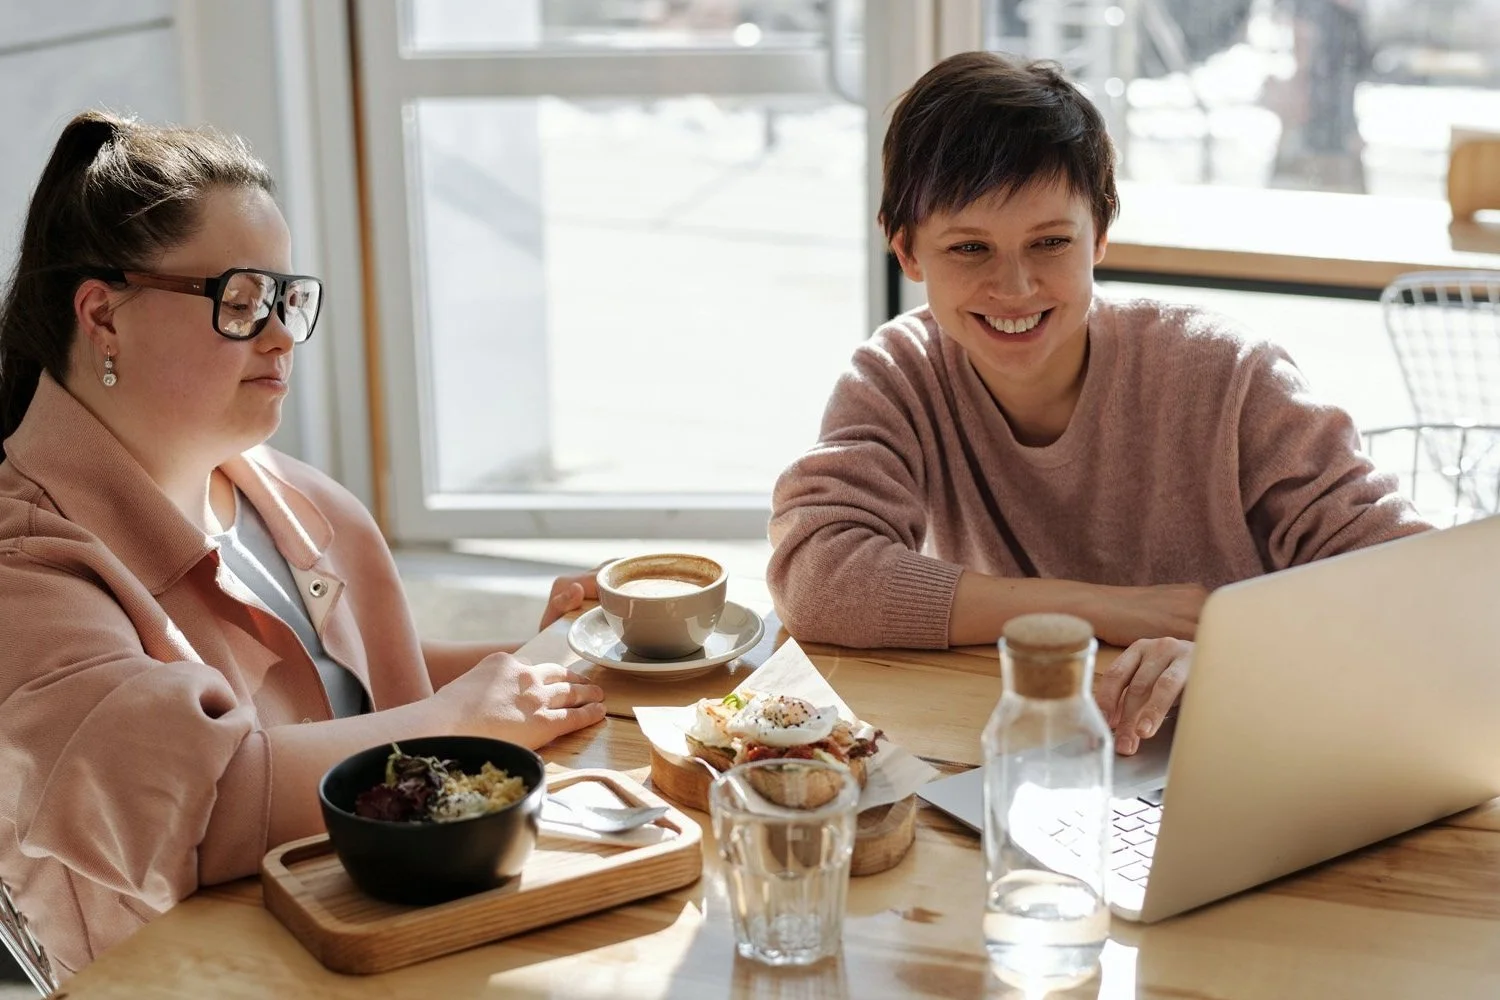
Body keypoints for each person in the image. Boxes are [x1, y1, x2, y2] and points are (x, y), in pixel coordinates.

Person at [0, 111, 606, 979]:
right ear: (102, 316)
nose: (281, 335)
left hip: (385, 936)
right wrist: (457, 719)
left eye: (285, 300)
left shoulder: (272, 487)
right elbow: (205, 805)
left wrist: (540, 656)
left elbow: (346, 685)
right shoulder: (23, 571)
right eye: (240, 304)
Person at [766, 53, 1429, 757]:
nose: (1015, 286)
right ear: (908, 251)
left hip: (1258, 746)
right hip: (1039, 750)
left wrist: (1237, 657)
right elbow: (817, 573)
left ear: (1101, 232)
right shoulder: (901, 375)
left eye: (1050, 242)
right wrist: (1099, 608)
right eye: (969, 248)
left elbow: (1413, 582)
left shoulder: (1226, 372)